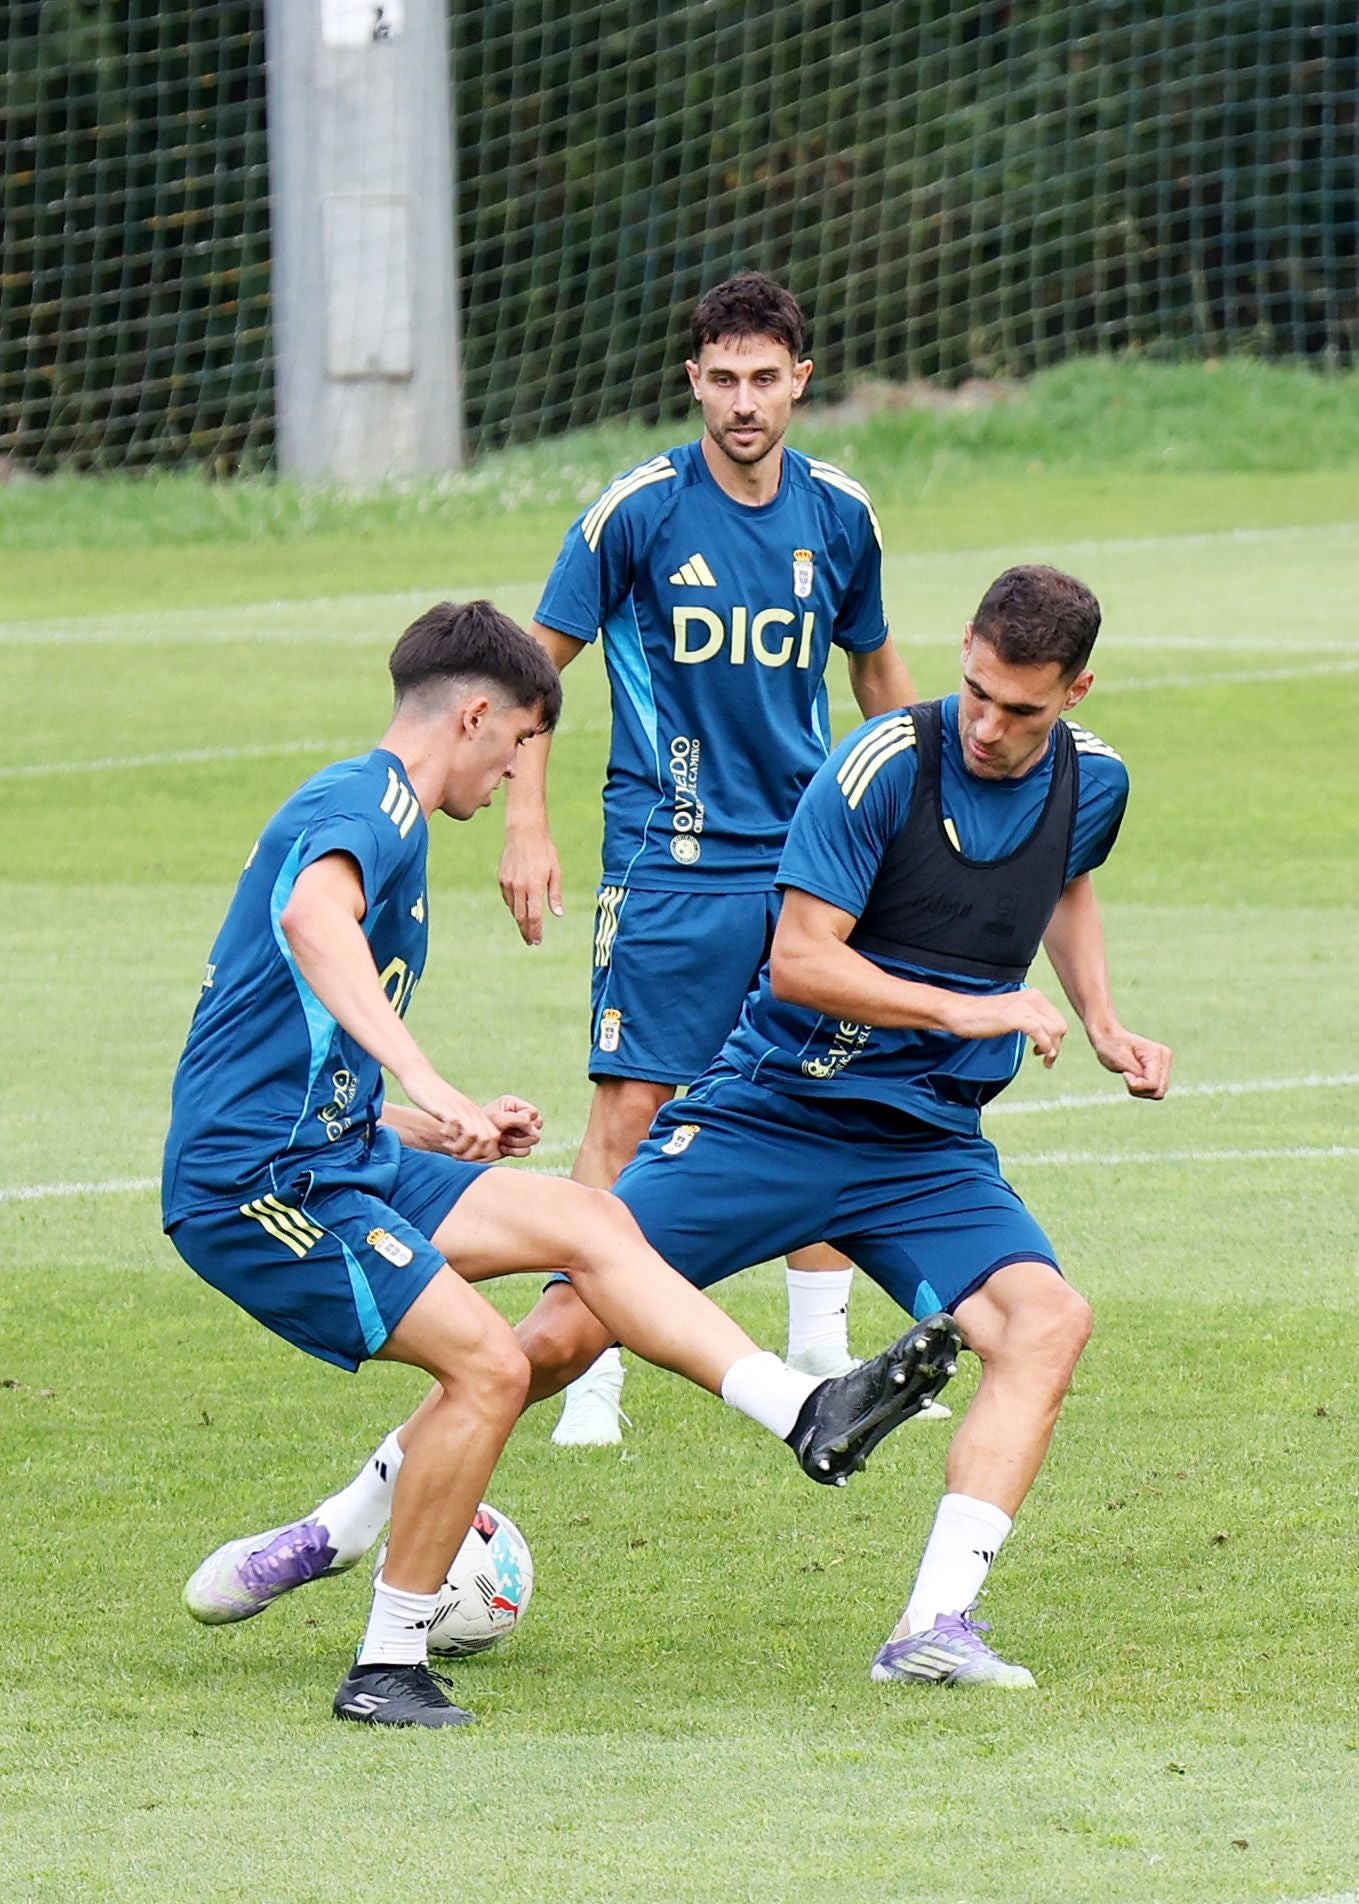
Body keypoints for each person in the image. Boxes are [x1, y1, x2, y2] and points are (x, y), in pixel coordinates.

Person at [181, 564, 1170, 1689]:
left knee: (1047, 1324)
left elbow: (1066, 882)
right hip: (773, 1116)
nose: (990, 724)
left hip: (926, 1143)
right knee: (551, 1338)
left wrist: (1102, 1019)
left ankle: (932, 1626)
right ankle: (341, 1522)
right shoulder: (886, 763)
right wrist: (970, 1005)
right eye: (977, 691)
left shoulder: (1096, 784)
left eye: (1023, 708)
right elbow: (797, 959)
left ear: (1077, 690)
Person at [498, 269, 942, 1445]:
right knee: (635, 1103)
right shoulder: (636, 511)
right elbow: (531, 674)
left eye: (765, 378)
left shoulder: (841, 513)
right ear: (692, 379)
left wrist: (927, 804)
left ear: (802, 381)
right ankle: (592, 1368)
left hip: (811, 856)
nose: (744, 401)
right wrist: (525, 819)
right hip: (670, 858)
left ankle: (816, 1338)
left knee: (826, 1088)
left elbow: (878, 676)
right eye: (723, 378)